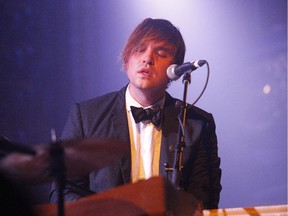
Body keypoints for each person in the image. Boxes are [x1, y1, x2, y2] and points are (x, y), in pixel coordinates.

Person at [50, 18, 222, 209]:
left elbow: (204, 200)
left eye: (161, 52)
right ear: (127, 56)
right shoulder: (86, 116)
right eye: (140, 49)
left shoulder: (197, 124)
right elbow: (64, 192)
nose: (148, 58)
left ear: (176, 69)